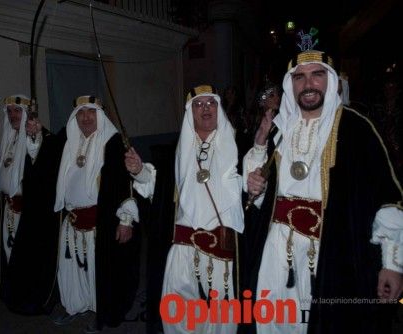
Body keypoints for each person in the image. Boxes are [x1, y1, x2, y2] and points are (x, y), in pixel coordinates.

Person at [243, 50, 403, 333]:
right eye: (299, 77)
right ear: (290, 85)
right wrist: (257, 185)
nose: (308, 84)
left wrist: (392, 263)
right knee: (272, 322)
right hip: (278, 250)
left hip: (332, 256)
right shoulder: (280, 130)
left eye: (317, 75)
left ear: (330, 81)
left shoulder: (357, 128)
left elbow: (388, 199)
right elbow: (261, 198)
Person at [125, 85, 245, 333]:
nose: (205, 109)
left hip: (219, 247)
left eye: (210, 103)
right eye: (198, 105)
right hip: (183, 246)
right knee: (179, 311)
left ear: (218, 108)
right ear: (190, 113)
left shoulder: (239, 147)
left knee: (220, 313)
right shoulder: (174, 153)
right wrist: (139, 171)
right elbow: (156, 187)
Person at [53, 95, 141, 331]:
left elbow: (127, 184)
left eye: (91, 112)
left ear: (100, 115)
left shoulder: (112, 143)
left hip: (99, 224)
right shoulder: (70, 141)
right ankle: (75, 306)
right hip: (72, 222)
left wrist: (126, 219)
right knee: (73, 271)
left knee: (97, 272)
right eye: (81, 113)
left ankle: (100, 312)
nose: (86, 117)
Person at [0, 94, 63, 315]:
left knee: (31, 260)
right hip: (9, 210)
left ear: (27, 114)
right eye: (10, 111)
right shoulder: (10, 138)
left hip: (31, 213)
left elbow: (44, 171)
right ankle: (16, 293)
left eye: (17, 111)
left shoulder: (43, 138)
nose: (13, 115)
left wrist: (35, 139)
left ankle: (36, 298)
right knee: (11, 254)